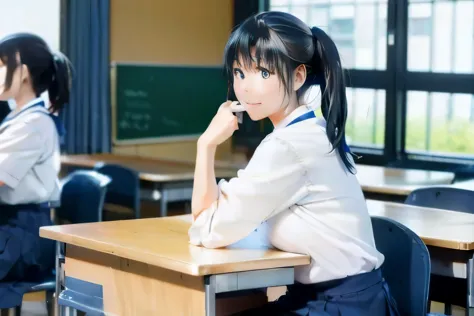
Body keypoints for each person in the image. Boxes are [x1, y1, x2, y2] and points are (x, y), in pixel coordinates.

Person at [188, 11, 400, 316]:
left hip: (343, 307)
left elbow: (207, 229)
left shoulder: (288, 146)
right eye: (239, 73)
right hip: (338, 299)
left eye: (262, 73)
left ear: (298, 76)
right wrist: (206, 147)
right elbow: (214, 219)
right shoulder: (306, 131)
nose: (246, 87)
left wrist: (205, 144)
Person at [0, 33, 72, 308]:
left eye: (0, 65)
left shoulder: (32, 124)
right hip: (11, 229)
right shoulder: (16, 118)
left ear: (24, 73)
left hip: (25, 236)